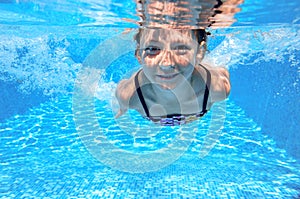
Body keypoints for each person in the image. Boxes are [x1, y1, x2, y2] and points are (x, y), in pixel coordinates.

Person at [115, 0, 236, 126]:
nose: (166, 64)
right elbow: (121, 93)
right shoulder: (129, 96)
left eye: (180, 48)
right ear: (139, 55)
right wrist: (122, 109)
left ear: (200, 53)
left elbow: (222, 73)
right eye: (152, 49)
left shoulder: (216, 89)